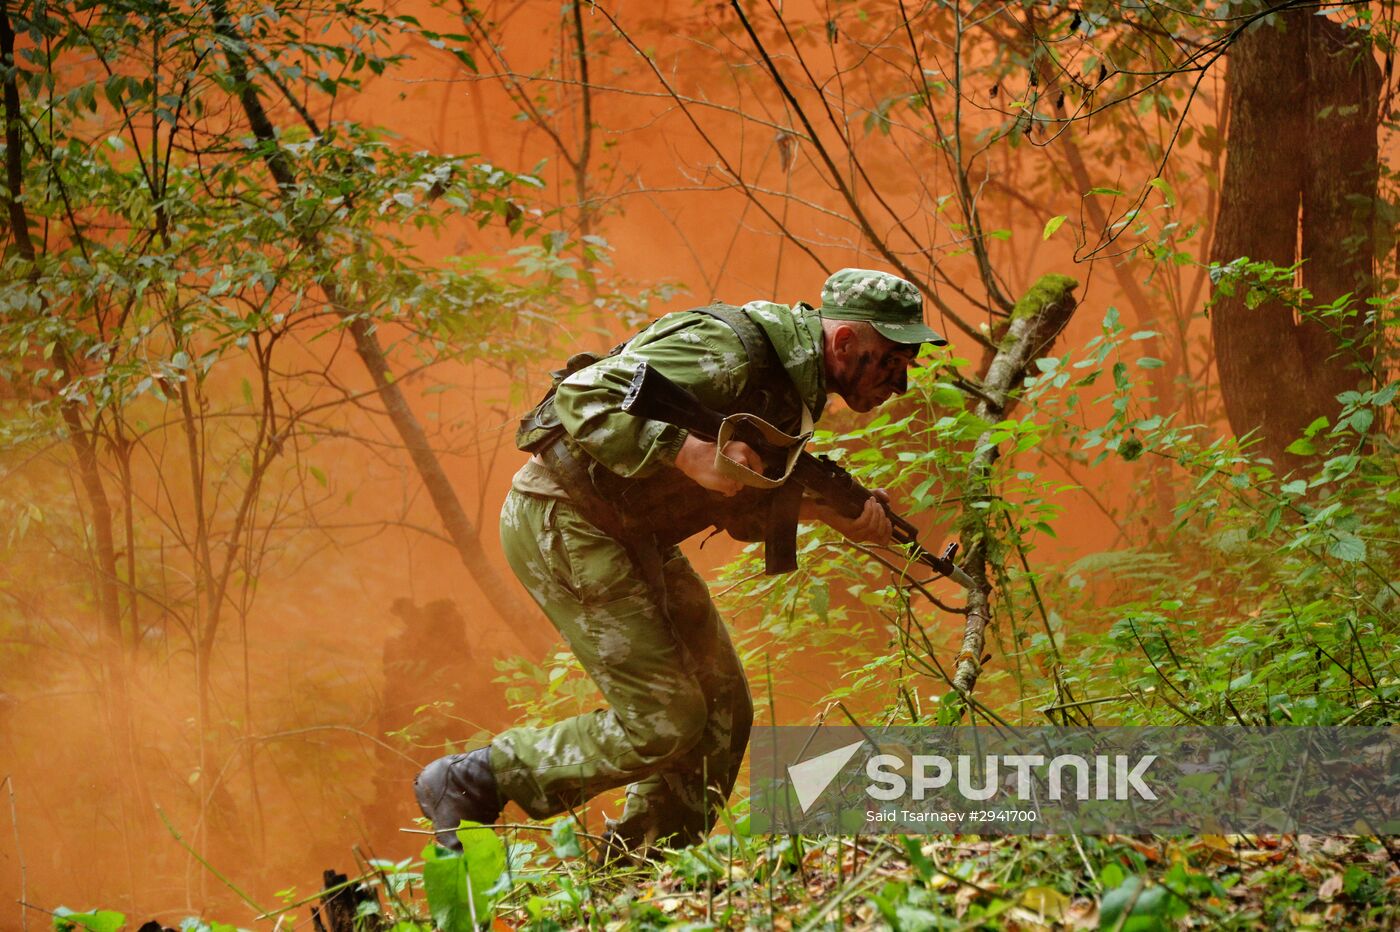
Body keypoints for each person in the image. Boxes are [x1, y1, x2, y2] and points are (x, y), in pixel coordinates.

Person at [414, 268, 946, 859]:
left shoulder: (792, 390)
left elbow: (740, 506)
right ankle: (472, 780)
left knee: (724, 710)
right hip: (566, 515)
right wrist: (685, 450)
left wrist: (829, 513)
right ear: (846, 342)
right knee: (664, 719)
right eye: (893, 360)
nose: (900, 383)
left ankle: (638, 870)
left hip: (627, 533)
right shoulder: (732, 351)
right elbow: (583, 394)